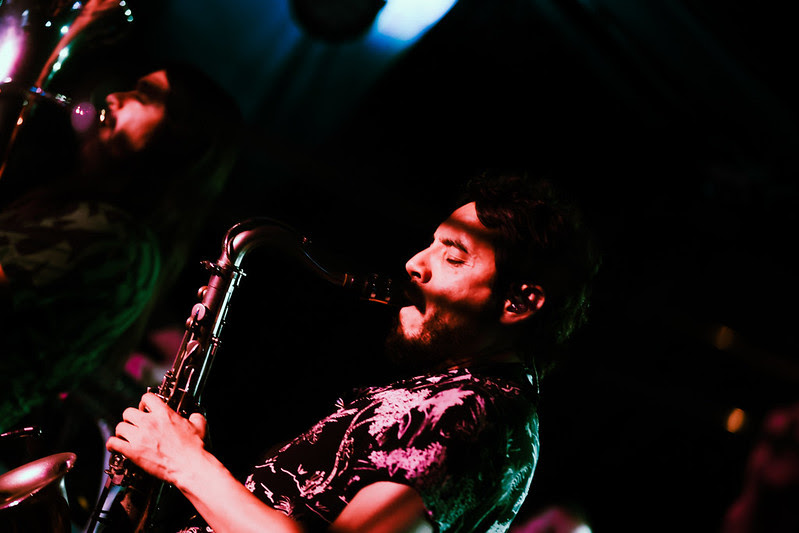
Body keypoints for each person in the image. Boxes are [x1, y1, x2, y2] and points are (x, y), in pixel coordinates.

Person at [104, 170, 601, 532]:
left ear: (519, 303)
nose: (414, 263)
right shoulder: (462, 399)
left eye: (453, 256)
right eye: (430, 244)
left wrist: (186, 464)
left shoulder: (474, 411)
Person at [0, 60, 244, 436]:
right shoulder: (105, 222)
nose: (113, 97)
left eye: (144, 96)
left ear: (179, 138)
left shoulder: (113, 236)